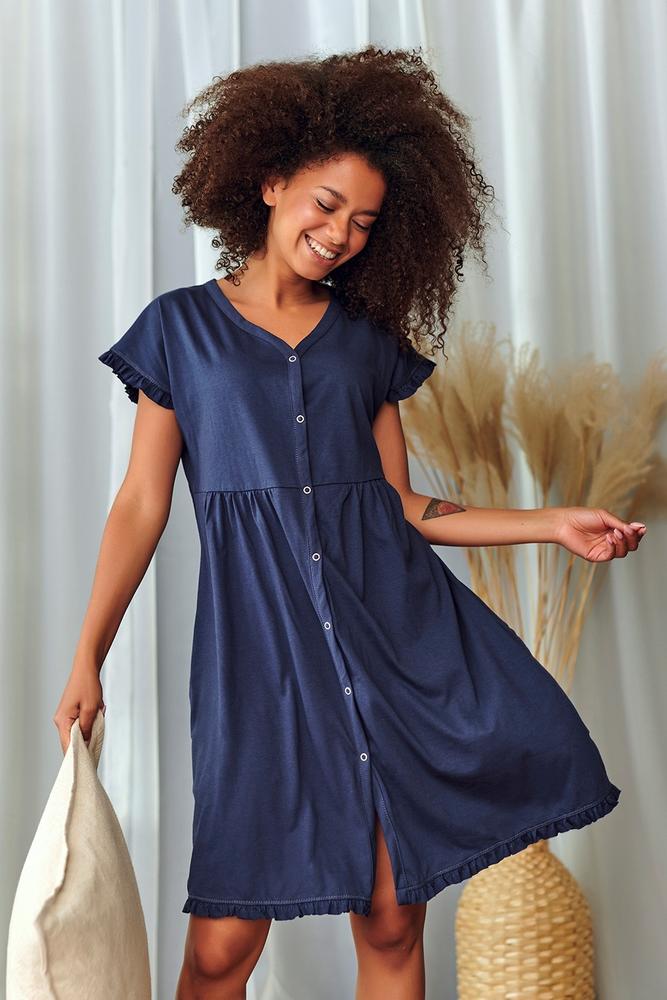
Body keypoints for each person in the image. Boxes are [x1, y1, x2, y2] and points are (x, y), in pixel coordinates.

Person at [53, 46, 644, 1000]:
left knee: (391, 917)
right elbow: (140, 504)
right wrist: (90, 655)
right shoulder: (180, 331)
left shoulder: (366, 341)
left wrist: (551, 523)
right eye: (325, 206)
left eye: (363, 222)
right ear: (270, 182)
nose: (339, 234)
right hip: (257, 658)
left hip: (392, 639)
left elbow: (401, 506)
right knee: (220, 949)